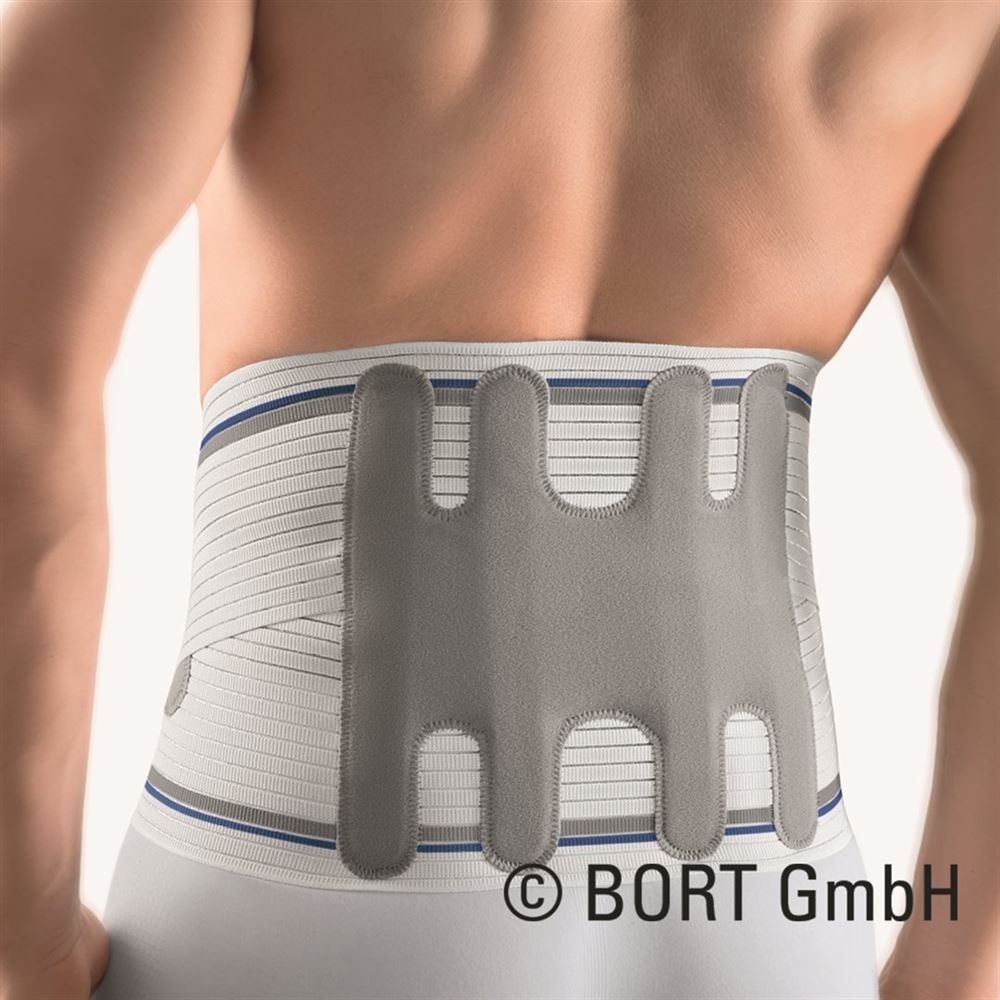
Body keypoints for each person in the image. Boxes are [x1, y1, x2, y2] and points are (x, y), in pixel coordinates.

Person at [1, 2, 997, 998]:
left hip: (305, 905)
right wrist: (954, 970)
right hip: (770, 915)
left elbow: (20, 401)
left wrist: (27, 943)